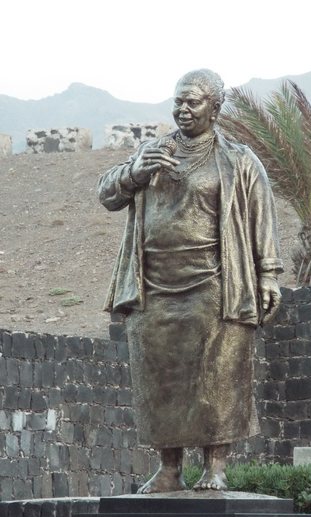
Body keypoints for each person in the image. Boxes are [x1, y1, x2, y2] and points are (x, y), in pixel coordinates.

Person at [98, 69, 283, 493]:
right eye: (178, 101)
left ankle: (215, 467)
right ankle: (169, 468)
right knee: (160, 379)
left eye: (193, 102)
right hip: (154, 287)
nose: (183, 109)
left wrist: (269, 275)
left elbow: (262, 218)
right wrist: (135, 171)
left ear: (214, 108)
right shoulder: (152, 153)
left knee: (218, 377)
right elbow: (107, 195)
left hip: (215, 285)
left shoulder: (238, 160)